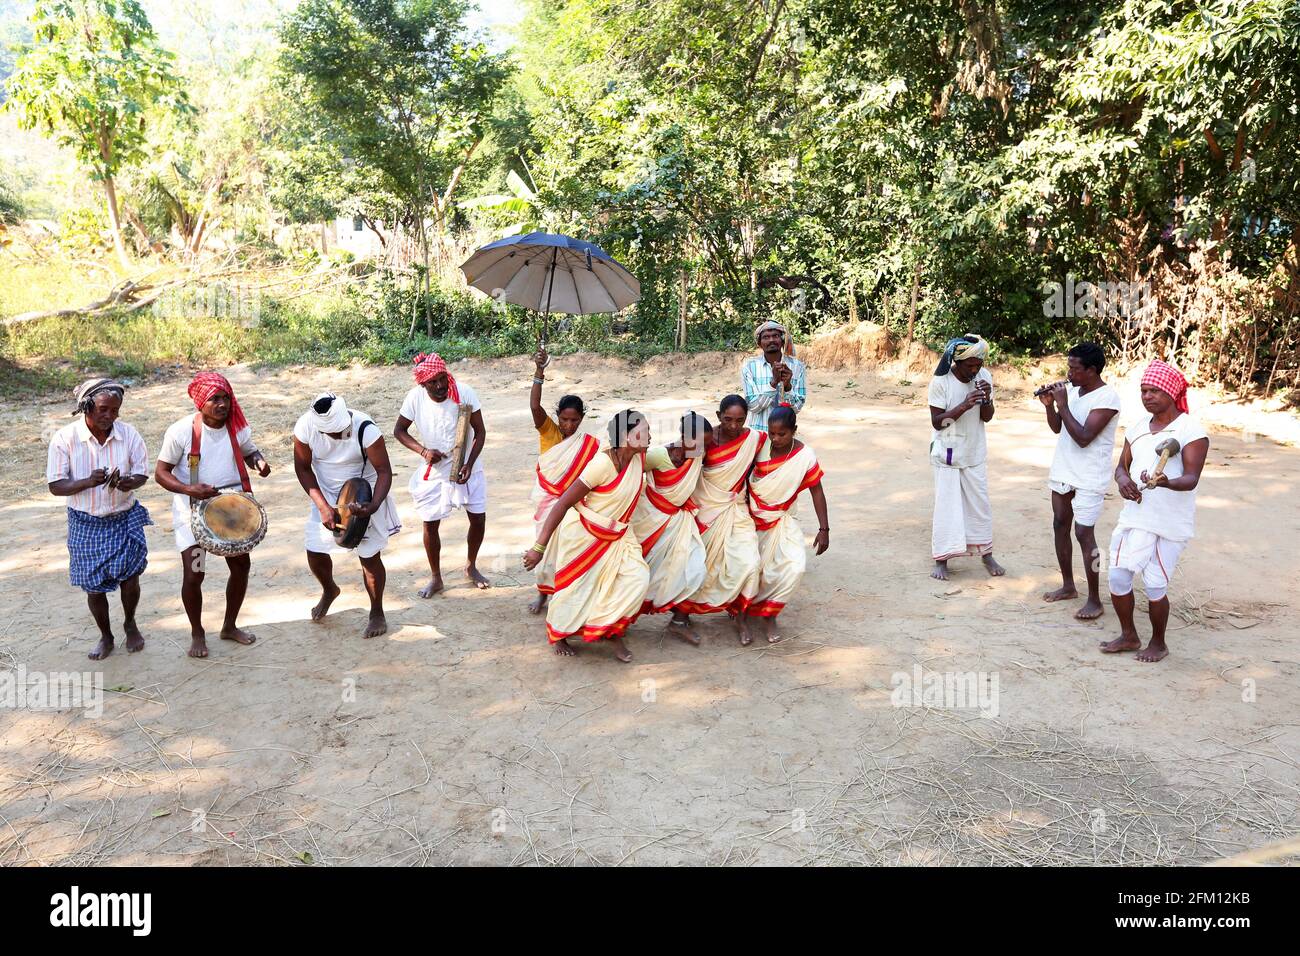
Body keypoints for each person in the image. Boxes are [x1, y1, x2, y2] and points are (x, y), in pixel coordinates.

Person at [155, 372, 270, 659]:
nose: (222, 404)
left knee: (241, 567)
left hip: (231, 512)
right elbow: (160, 473)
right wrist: (188, 488)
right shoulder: (181, 431)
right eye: (214, 399)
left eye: (226, 398)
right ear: (200, 401)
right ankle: (197, 632)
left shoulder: (237, 428)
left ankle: (230, 626)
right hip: (191, 512)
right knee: (194, 575)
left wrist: (259, 462)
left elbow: (249, 451)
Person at [523, 409, 651, 662]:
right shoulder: (602, 464)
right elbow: (562, 503)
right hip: (585, 535)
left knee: (637, 579)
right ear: (626, 436)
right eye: (644, 432)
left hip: (619, 536)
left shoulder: (638, 458)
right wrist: (538, 548)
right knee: (577, 589)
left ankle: (609, 629)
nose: (650, 435)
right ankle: (560, 633)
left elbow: (673, 454)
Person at [1101, 360, 1208, 663]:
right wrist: (1123, 482)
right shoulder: (1136, 428)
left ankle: (1158, 643)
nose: (1147, 396)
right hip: (1135, 517)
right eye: (1143, 391)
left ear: (1171, 393)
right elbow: (1122, 467)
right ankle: (1128, 635)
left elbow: (1191, 479)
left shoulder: (1190, 430)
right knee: (1118, 577)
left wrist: (1165, 482)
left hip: (1170, 523)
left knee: (1155, 583)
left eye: (1154, 391)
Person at [46, 378, 152, 660]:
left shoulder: (129, 435)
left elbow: (142, 474)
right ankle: (106, 636)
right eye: (104, 409)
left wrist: (128, 483)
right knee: (94, 587)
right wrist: (86, 482)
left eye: (115, 410)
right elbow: (56, 486)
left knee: (131, 578)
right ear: (86, 406)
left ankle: (130, 623)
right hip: (85, 523)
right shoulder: (65, 439)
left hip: (124, 517)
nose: (110, 416)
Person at [293, 392, 402, 638]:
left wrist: (372, 506)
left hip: (364, 492)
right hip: (327, 494)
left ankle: (376, 612)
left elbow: (385, 471)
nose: (339, 436)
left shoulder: (366, 429)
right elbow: (302, 467)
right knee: (315, 549)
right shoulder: (306, 427)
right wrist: (322, 505)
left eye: (342, 430)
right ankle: (329, 589)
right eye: (332, 433)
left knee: (369, 557)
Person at [394, 352, 489, 597]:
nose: (439, 386)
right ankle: (436, 577)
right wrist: (423, 451)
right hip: (436, 470)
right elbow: (399, 431)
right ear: (422, 384)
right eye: (432, 383)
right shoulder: (415, 398)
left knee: (477, 519)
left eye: (442, 379)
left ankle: (471, 565)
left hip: (468, 466)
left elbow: (479, 432)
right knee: (430, 523)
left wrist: (469, 463)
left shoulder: (464, 392)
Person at [1039, 342, 1121, 620]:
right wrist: (1050, 407)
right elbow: (1057, 429)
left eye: (1074, 368)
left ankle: (1095, 600)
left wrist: (1062, 404)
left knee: (1084, 534)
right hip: (1064, 468)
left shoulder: (1107, 398)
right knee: (1059, 525)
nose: (1069, 373)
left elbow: (1084, 438)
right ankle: (1068, 586)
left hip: (1089, 475)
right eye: (1068, 367)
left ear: (1092, 370)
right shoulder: (1072, 391)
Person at [677, 394, 767, 645]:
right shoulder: (705, 440)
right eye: (728, 419)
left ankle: (740, 615)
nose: (734, 426)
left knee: (750, 563)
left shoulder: (753, 440)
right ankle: (680, 618)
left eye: (740, 420)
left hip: (737, 509)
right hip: (706, 510)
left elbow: (776, 457)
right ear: (718, 417)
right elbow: (681, 463)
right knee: (698, 565)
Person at [745, 407, 830, 643]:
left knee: (794, 567)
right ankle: (742, 612)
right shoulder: (759, 446)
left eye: (782, 434)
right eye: (772, 433)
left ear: (794, 431)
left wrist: (824, 530)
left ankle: (769, 615)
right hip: (751, 519)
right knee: (752, 567)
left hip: (782, 519)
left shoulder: (804, 456)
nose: (776, 439)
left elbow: (817, 491)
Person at [527, 347, 598, 614]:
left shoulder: (588, 444)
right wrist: (539, 371)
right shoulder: (549, 431)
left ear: (581, 419)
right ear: (557, 416)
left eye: (574, 420)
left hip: (570, 502)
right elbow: (534, 406)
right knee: (542, 545)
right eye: (565, 419)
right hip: (547, 499)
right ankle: (542, 595)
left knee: (567, 547)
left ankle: (563, 590)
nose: (569, 425)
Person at [928, 334, 1005, 580]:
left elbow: (987, 416)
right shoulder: (941, 382)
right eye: (969, 366)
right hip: (948, 454)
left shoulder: (984, 378)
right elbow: (939, 423)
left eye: (978, 364)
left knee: (979, 505)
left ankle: (986, 552)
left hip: (974, 451)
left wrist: (987, 398)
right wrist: (964, 405)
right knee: (947, 506)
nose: (975, 370)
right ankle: (942, 559)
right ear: (956, 363)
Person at [633, 411, 710, 644]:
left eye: (705, 443)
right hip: (650, 520)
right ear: (683, 436)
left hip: (679, 522)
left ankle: (679, 620)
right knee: (640, 571)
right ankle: (616, 618)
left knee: (694, 568)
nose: (701, 448)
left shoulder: (698, 454)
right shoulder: (658, 455)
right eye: (696, 442)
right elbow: (629, 470)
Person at [741, 320, 806, 433]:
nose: (771, 340)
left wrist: (788, 387)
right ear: (759, 343)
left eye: (775, 336)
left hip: (784, 435)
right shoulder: (749, 367)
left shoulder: (797, 367)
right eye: (766, 337)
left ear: (782, 341)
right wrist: (773, 383)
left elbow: (797, 408)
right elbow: (753, 407)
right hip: (758, 434)